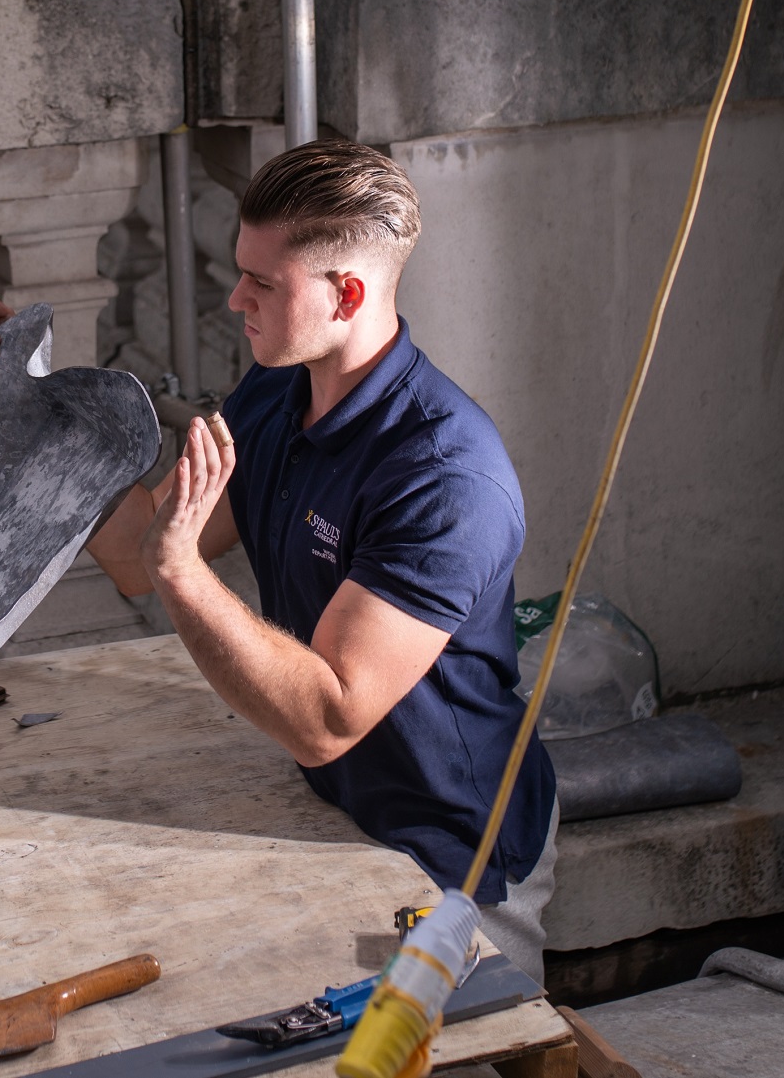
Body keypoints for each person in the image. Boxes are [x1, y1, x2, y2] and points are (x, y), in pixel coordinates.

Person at [78, 140, 559, 978]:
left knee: (430, 1063)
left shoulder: (446, 478)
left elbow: (326, 717)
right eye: (242, 272)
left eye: (262, 282)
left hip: (453, 856)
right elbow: (135, 550)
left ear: (348, 293)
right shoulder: (275, 391)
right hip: (339, 815)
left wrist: (183, 571)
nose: (234, 299)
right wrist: (40, 424)